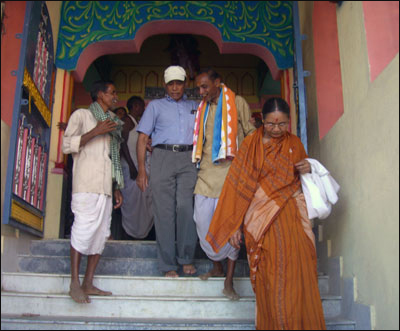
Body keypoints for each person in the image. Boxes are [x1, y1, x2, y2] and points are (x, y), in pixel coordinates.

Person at [206, 97, 326, 329]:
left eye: (282, 125)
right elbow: (237, 185)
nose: (277, 130)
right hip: (261, 221)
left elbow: (303, 180)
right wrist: (234, 225)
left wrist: (309, 167)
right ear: (262, 120)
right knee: (272, 276)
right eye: (271, 124)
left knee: (300, 270)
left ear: (289, 122)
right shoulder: (251, 145)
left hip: (292, 214)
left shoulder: (295, 143)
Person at [192, 68, 255, 300]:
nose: (201, 91)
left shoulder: (237, 102)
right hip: (206, 174)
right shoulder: (203, 108)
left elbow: (250, 134)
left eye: (205, 86)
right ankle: (216, 266)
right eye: (199, 87)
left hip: (232, 174)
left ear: (218, 82)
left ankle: (229, 280)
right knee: (201, 221)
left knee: (230, 227)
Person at [62, 81, 124, 303]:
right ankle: (74, 283)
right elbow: (67, 145)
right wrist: (95, 131)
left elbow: (112, 159)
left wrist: (115, 187)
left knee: (100, 234)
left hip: (105, 187)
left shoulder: (113, 123)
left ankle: (88, 282)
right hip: (86, 184)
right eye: (112, 92)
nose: (116, 96)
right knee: (82, 230)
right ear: (100, 95)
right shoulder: (82, 115)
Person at [136, 65, 198, 277]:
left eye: (178, 83)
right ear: (165, 85)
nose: (174, 88)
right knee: (163, 212)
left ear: (185, 84)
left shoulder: (196, 106)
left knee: (186, 208)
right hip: (162, 157)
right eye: (170, 84)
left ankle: (186, 257)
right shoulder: (155, 106)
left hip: (189, 158)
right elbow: (142, 138)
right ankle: (168, 265)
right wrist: (142, 171)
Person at [118, 98, 154, 239]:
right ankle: (128, 234)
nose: (143, 109)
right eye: (142, 106)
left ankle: (140, 233)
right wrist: (133, 167)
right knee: (131, 205)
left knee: (141, 203)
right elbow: (122, 143)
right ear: (135, 106)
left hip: (137, 168)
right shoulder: (127, 121)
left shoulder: (136, 123)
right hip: (130, 168)